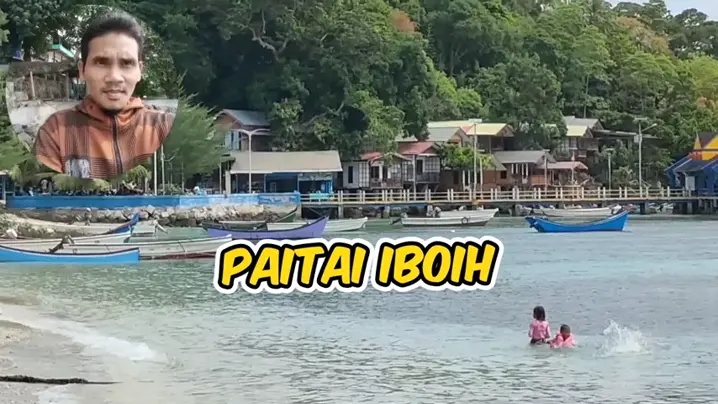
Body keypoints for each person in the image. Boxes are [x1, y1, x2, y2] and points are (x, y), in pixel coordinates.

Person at [33, 10, 174, 180]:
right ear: (82, 70)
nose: (114, 77)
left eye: (127, 63)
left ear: (139, 71)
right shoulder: (55, 131)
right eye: (101, 62)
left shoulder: (162, 126)